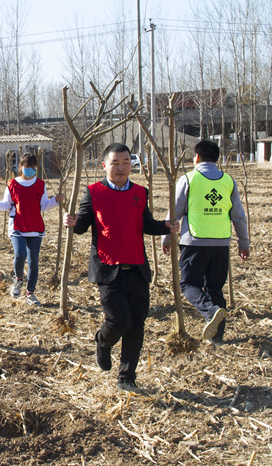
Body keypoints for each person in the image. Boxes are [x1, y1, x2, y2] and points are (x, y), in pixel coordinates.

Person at [64, 143, 179, 394]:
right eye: (115, 163)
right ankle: (102, 341)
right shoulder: (93, 192)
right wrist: (72, 222)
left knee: (137, 326)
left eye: (126, 162)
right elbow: (83, 224)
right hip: (108, 269)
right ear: (104, 165)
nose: (121, 167)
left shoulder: (140, 192)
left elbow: (146, 224)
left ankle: (127, 377)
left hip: (137, 268)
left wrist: (166, 226)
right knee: (119, 321)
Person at [162, 140, 249, 345]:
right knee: (215, 289)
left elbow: (174, 212)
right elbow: (238, 215)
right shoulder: (228, 181)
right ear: (217, 159)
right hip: (221, 243)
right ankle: (217, 339)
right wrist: (243, 243)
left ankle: (211, 312)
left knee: (188, 284)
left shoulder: (189, 179)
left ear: (197, 158)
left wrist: (166, 238)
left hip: (194, 241)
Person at [0, 153, 61, 305]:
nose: (30, 169)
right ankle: (18, 279)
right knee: (20, 255)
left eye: (33, 167)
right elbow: (6, 205)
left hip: (35, 227)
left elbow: (43, 206)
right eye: (27, 166)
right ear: (21, 167)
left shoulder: (40, 184)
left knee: (33, 262)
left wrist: (55, 201)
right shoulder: (12, 184)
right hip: (17, 225)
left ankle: (30, 293)